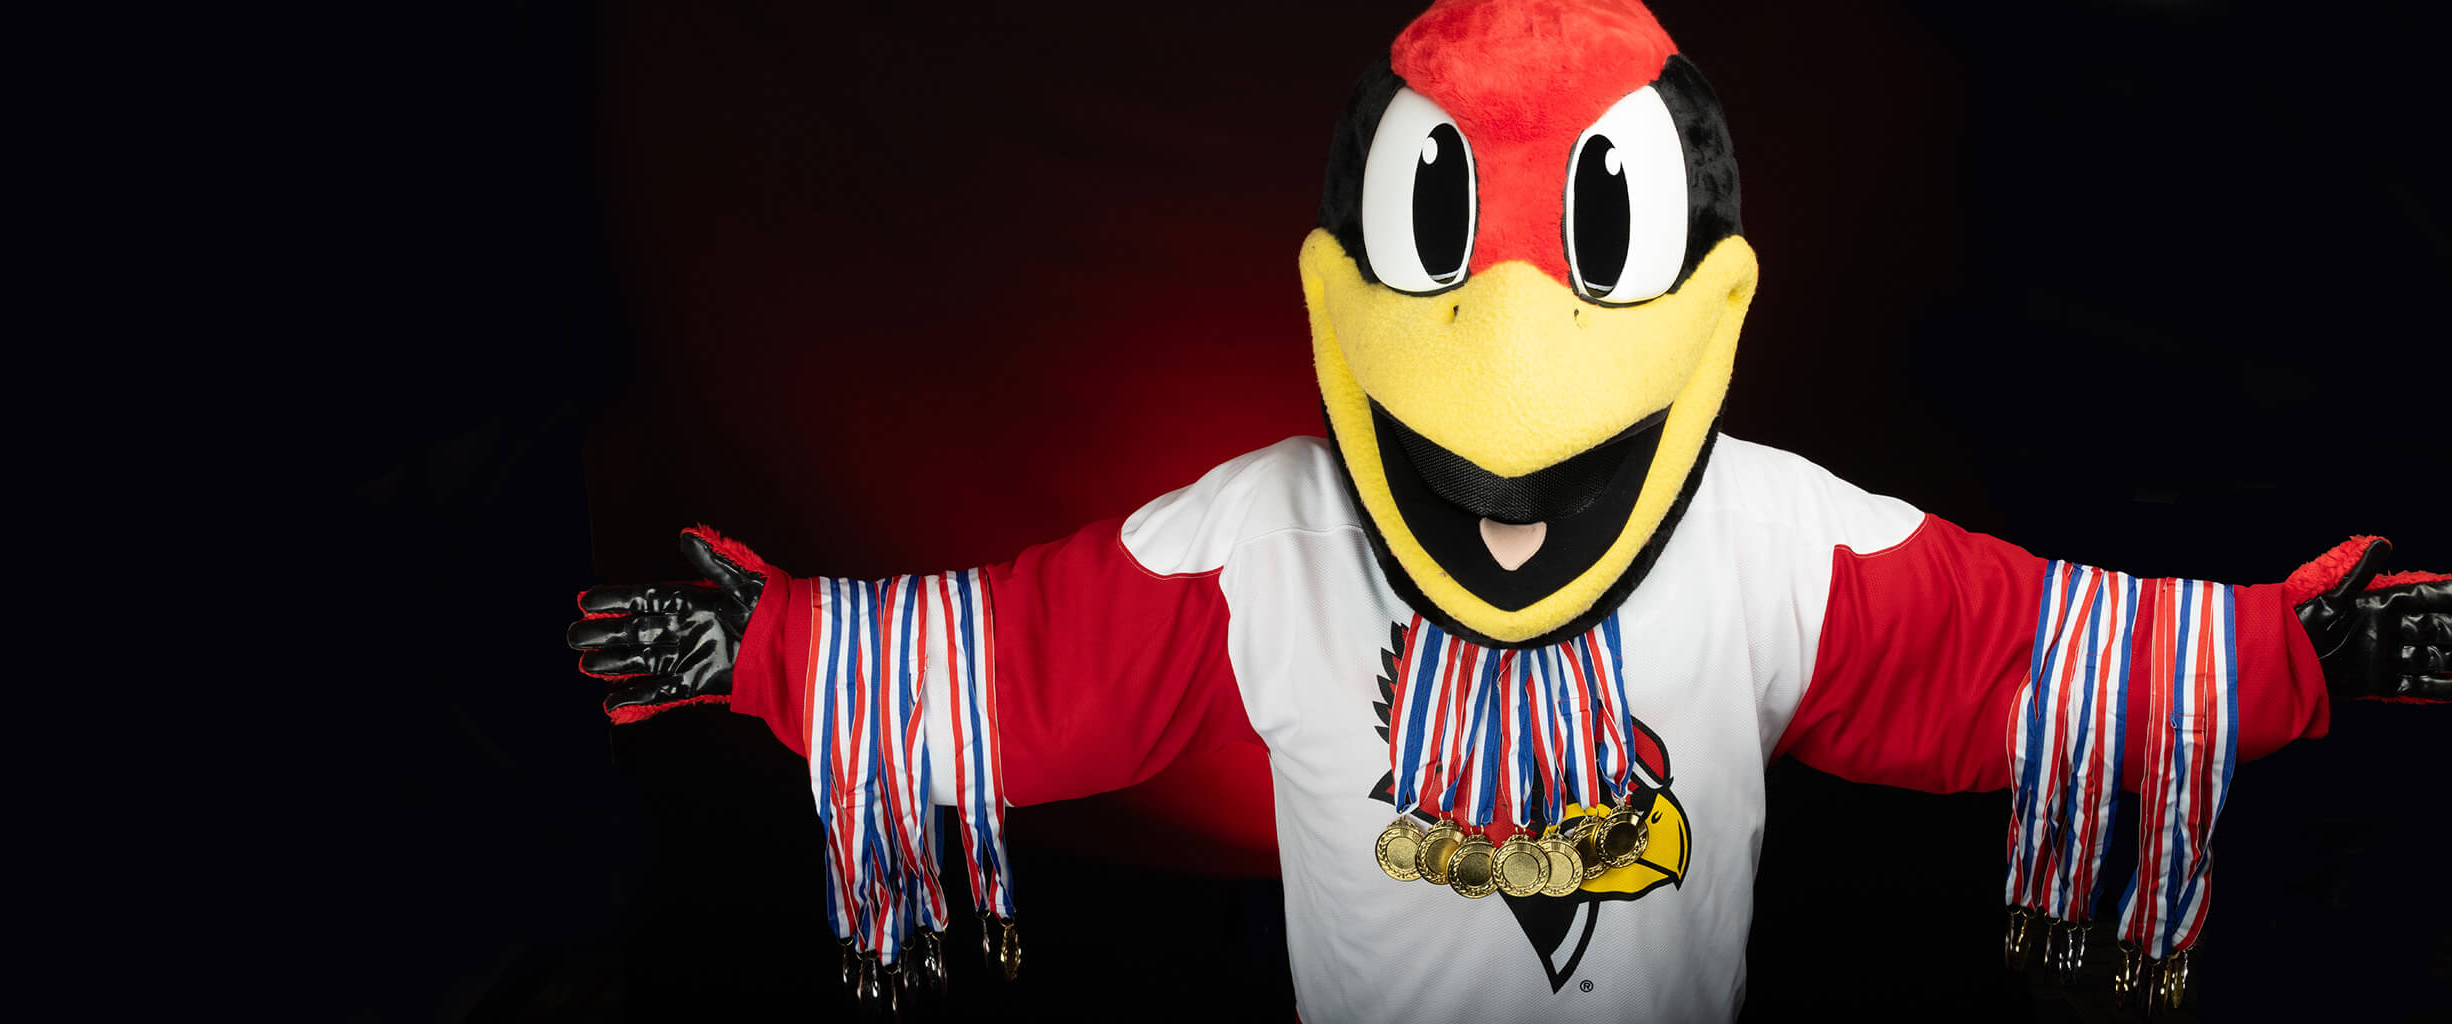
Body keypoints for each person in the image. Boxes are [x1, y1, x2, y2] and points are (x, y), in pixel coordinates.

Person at [568, 1, 2448, 1019]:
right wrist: (780, 648)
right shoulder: (1265, 535)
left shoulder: (1765, 534)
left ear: (1710, 311)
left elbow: (2022, 651)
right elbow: (1024, 658)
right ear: (1335, 295)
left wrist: (2297, 650)